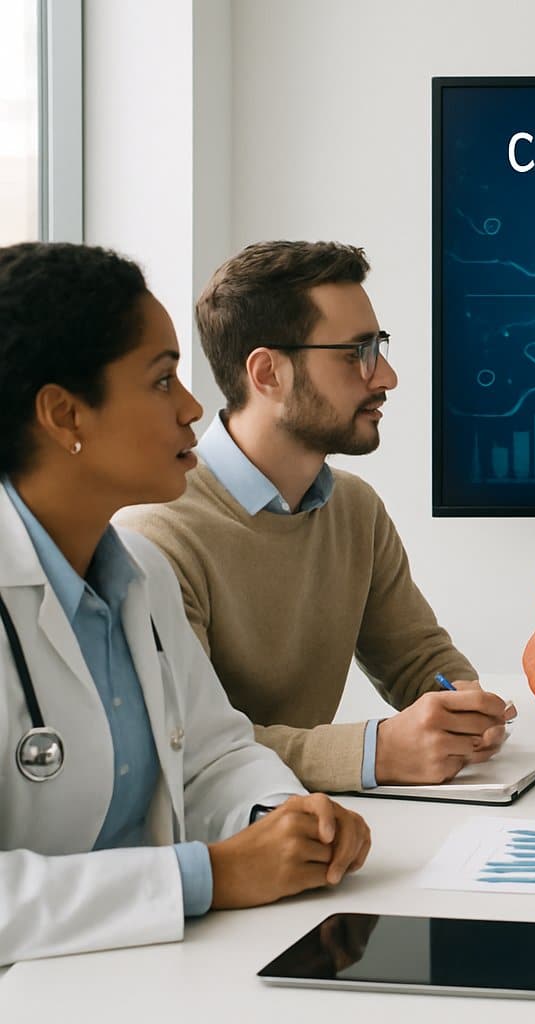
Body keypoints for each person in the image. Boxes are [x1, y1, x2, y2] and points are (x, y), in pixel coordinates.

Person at [0, 242, 370, 965]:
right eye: (163, 381)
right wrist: (209, 875)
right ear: (64, 414)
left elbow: (213, 755)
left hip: (148, 971)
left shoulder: (139, 572)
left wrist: (286, 821)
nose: (195, 408)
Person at [117, 241, 511, 793]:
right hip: (224, 850)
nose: (387, 377)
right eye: (357, 354)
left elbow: (418, 659)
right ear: (268, 373)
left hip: (325, 829)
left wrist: (464, 707)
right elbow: (189, 745)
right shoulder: (156, 534)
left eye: (380, 348)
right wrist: (376, 751)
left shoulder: (356, 509)